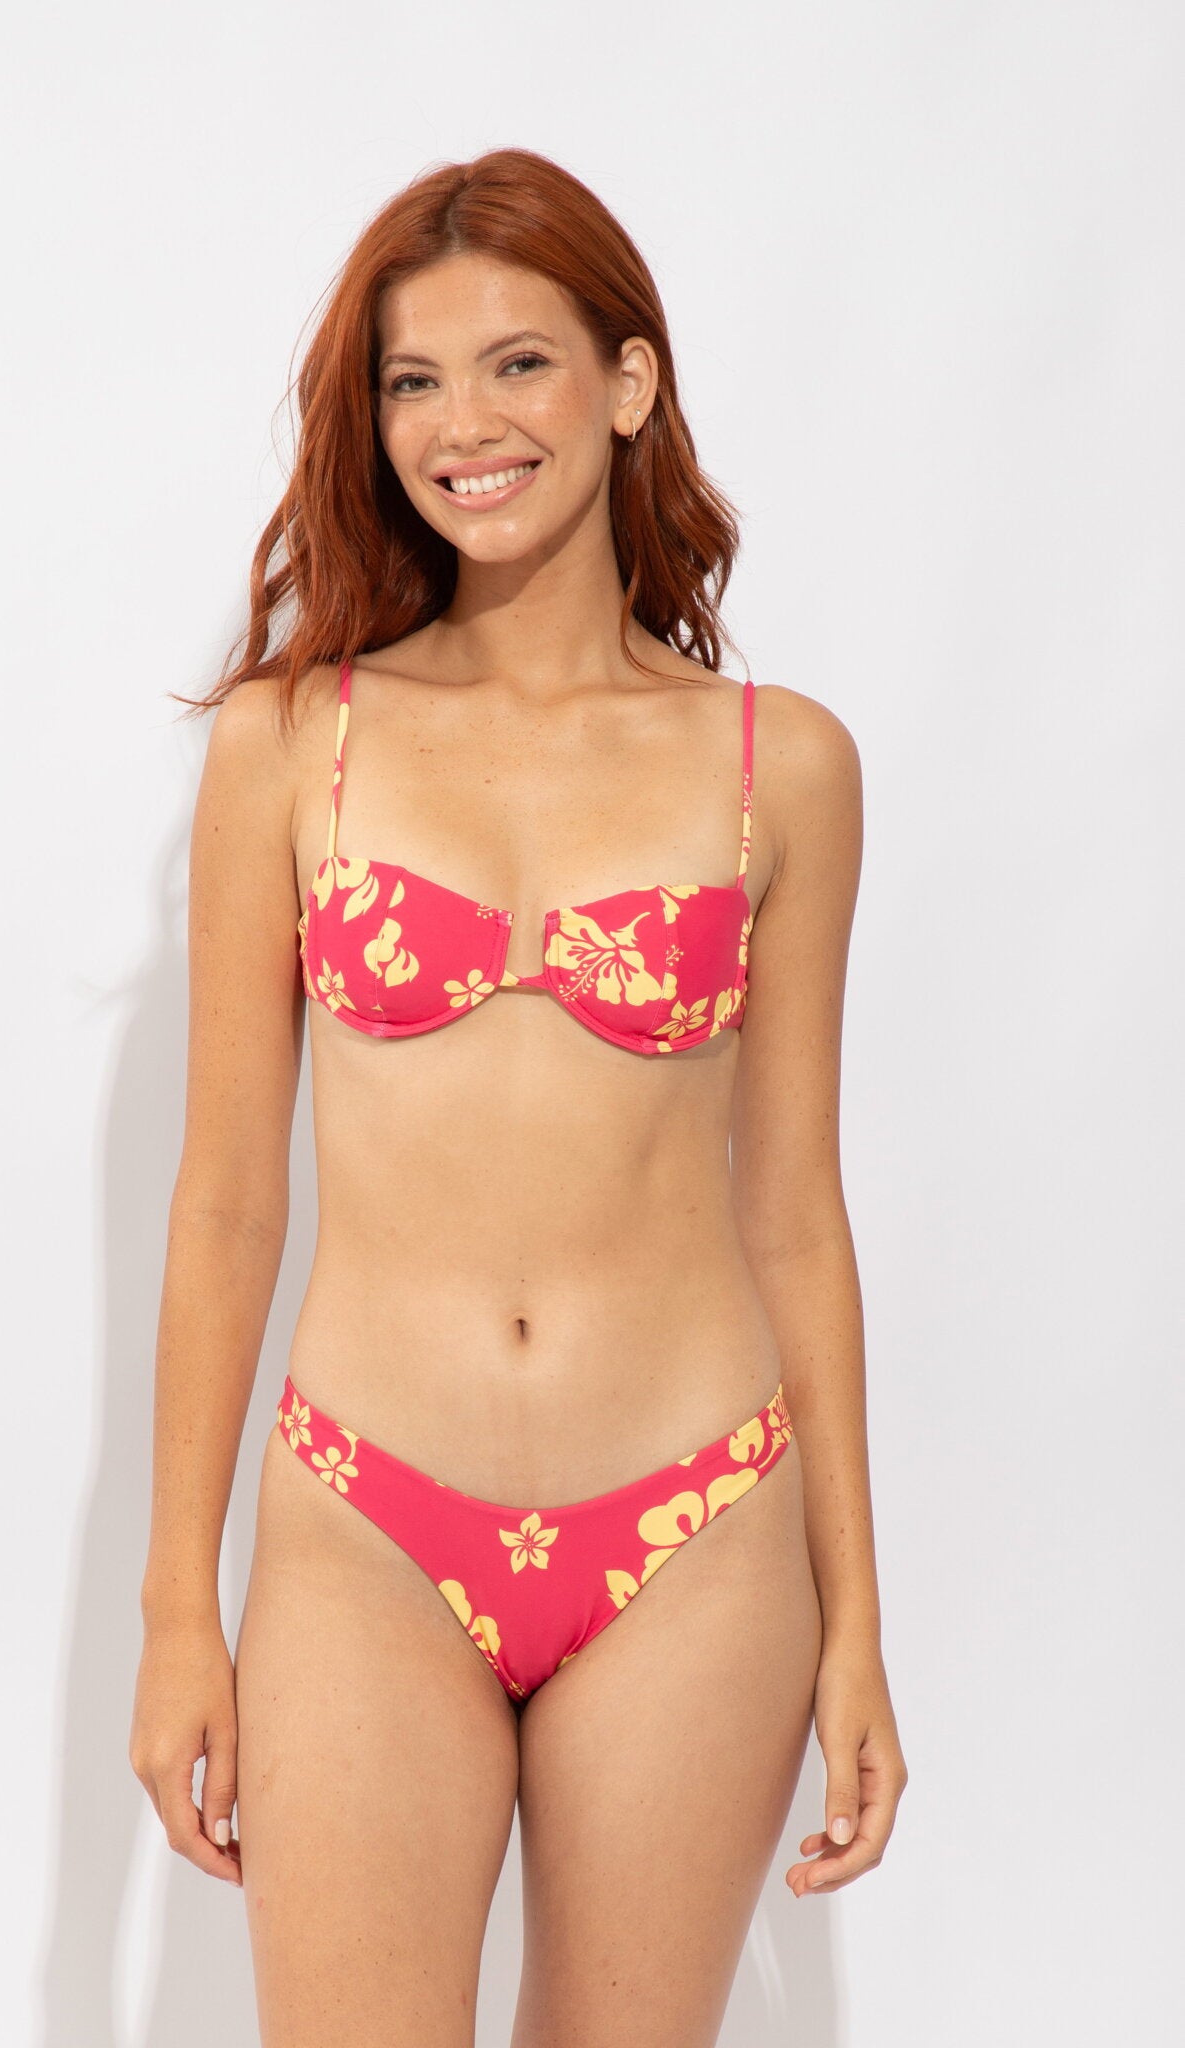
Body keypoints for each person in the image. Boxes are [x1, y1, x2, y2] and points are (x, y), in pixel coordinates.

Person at [129, 145, 907, 2044]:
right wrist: (173, 1613)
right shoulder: (292, 743)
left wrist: (858, 1626)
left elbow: (794, 1212)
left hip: (699, 1526)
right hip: (364, 1521)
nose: (460, 425)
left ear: (628, 383)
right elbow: (225, 1201)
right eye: (412, 380)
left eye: (518, 364)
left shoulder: (782, 767)